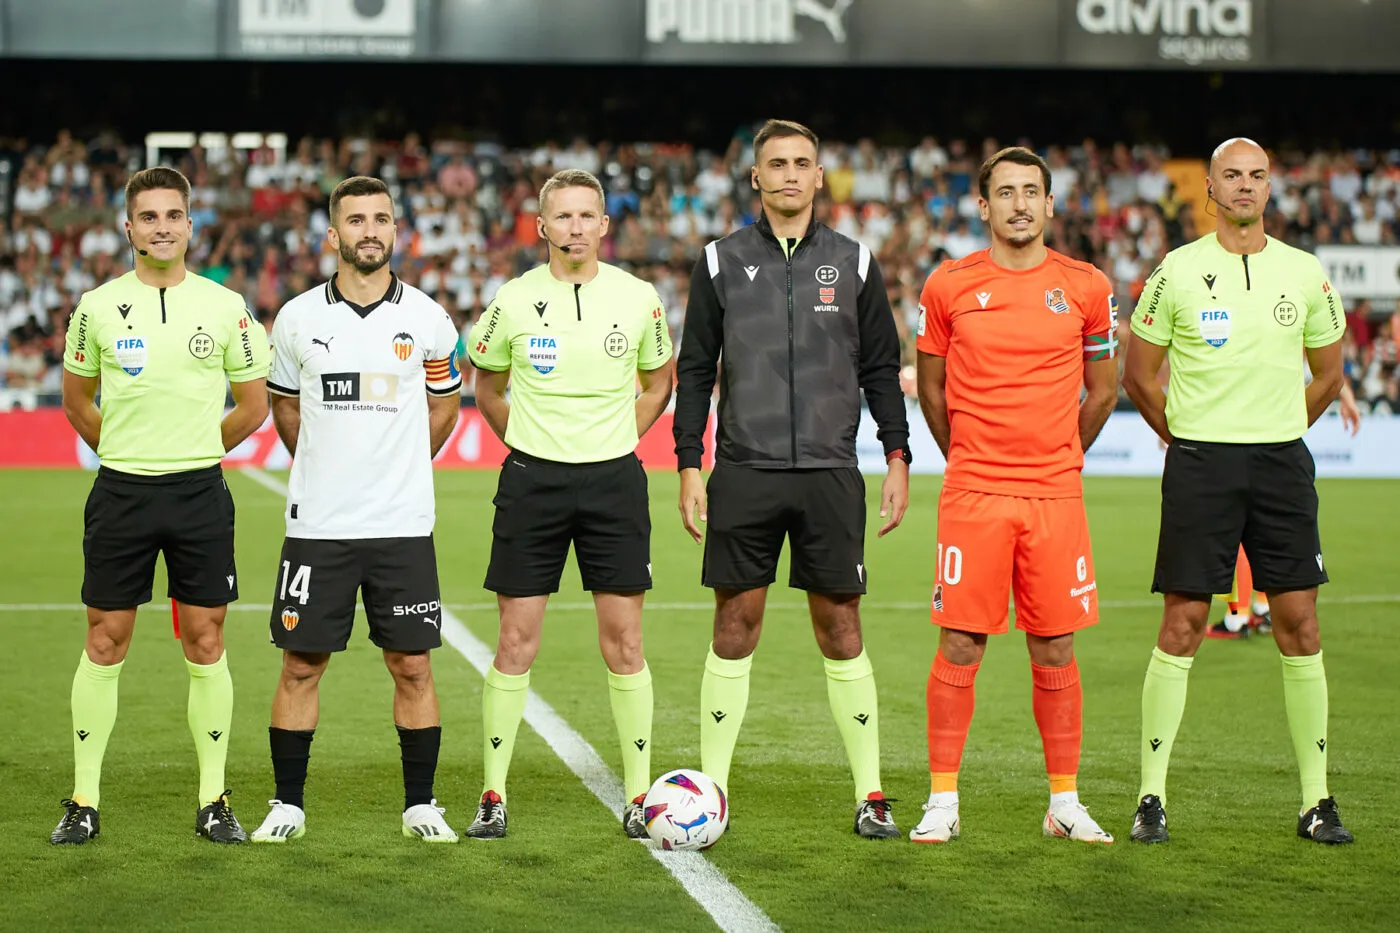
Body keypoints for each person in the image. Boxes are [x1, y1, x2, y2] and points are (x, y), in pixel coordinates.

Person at [673, 119, 910, 839]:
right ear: (755, 177)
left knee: (841, 626)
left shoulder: (856, 262)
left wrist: (897, 454)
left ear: (817, 176)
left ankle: (870, 791)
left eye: (801, 163)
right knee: (734, 624)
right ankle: (712, 789)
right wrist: (690, 461)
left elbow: (880, 369)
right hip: (744, 469)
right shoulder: (717, 262)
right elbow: (694, 370)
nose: (788, 175)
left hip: (831, 472)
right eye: (775, 163)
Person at [1122, 138, 1353, 845]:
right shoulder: (1177, 271)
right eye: (1232, 176)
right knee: (1184, 623)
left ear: (1270, 187)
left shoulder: (1306, 272)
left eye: (1257, 176)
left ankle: (1316, 800)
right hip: (1201, 466)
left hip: (1281, 465)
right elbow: (1139, 374)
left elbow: (1329, 374)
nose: (1245, 186)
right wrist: (1188, 435)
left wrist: (1278, 429)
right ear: (1211, 191)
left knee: (1299, 624)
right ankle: (1150, 797)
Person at [52, 166, 270, 845]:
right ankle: (84, 798)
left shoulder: (226, 305)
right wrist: (121, 449)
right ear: (129, 227)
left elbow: (255, 405)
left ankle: (214, 798)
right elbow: (76, 398)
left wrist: (199, 448)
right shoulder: (95, 306)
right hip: (121, 491)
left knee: (206, 640)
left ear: (191, 226)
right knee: (105, 638)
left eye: (173, 215)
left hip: (200, 492)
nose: (162, 227)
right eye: (149, 217)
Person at [911, 147, 1119, 845]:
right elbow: (933, 391)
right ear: (983, 205)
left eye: (1032, 192)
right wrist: (968, 455)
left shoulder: (1087, 285)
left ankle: (1064, 799)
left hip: (1054, 496)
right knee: (962, 642)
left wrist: (1065, 454)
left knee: (1055, 644)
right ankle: (943, 798)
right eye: (1006, 193)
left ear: (1051, 204)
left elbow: (1107, 388)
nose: (1020, 204)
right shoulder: (948, 284)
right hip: (974, 493)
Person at [249, 177, 463, 844]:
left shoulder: (429, 319)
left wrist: (396, 468)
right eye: (355, 220)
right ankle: (287, 803)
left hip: (402, 527)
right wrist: (325, 462)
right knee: (301, 664)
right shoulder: (297, 318)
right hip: (319, 528)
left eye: (380, 219)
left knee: (414, 665)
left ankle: (421, 803)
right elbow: (285, 406)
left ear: (395, 230)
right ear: (332, 236)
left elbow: (445, 406)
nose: (369, 230)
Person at [464, 169, 674, 840]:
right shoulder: (514, 299)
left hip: (615, 483)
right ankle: (493, 794)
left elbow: (658, 378)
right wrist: (524, 442)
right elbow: (487, 383)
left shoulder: (640, 297)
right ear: (543, 226)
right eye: (565, 216)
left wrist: (620, 436)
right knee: (515, 642)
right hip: (533, 483)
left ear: (604, 226)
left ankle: (640, 795)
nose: (577, 226)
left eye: (589, 215)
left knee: (626, 643)